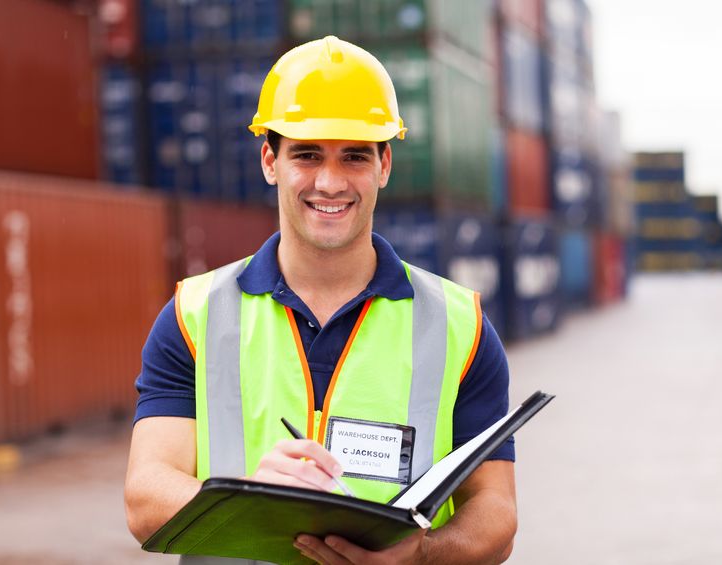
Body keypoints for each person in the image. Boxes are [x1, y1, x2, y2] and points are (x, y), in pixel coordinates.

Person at [124, 36, 517, 564]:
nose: (330, 183)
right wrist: (249, 500)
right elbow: (145, 499)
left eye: (354, 157)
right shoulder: (193, 317)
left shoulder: (459, 327)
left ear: (384, 165)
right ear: (270, 161)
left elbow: (496, 512)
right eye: (307, 155)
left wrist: (423, 554)